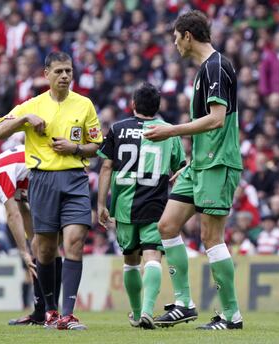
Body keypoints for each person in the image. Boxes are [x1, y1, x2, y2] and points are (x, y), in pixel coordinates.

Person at [144, 10, 243, 330]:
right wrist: (190, 158)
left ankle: (232, 316)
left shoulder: (215, 67)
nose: (174, 44)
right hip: (199, 164)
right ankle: (184, 303)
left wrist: (170, 131)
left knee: (211, 237)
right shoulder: (206, 69)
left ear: (188, 35)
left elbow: (216, 119)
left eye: (176, 37)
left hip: (218, 164)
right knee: (167, 226)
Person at [0, 51, 103, 330]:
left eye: (68, 71)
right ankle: (51, 311)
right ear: (46, 74)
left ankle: (68, 313)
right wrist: (24, 119)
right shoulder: (33, 104)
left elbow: (96, 144)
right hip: (42, 180)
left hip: (76, 178)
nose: (65, 76)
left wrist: (75, 148)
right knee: (45, 249)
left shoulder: (85, 105)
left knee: (75, 240)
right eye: (59, 71)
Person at [97, 82, 188, 329]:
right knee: (152, 258)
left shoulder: (117, 129)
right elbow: (181, 168)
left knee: (130, 262)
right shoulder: (169, 131)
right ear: (158, 107)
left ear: (133, 105)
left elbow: (106, 167)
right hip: (155, 204)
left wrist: (101, 204)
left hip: (124, 206)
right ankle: (148, 310)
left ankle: (137, 313)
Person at [0, 145, 63, 325]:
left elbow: (12, 215)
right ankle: (42, 313)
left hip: (58, 182)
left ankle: (48, 313)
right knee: (42, 249)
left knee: (45, 250)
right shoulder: (5, 166)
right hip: (55, 181)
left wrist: (23, 252)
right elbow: (23, 209)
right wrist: (31, 244)